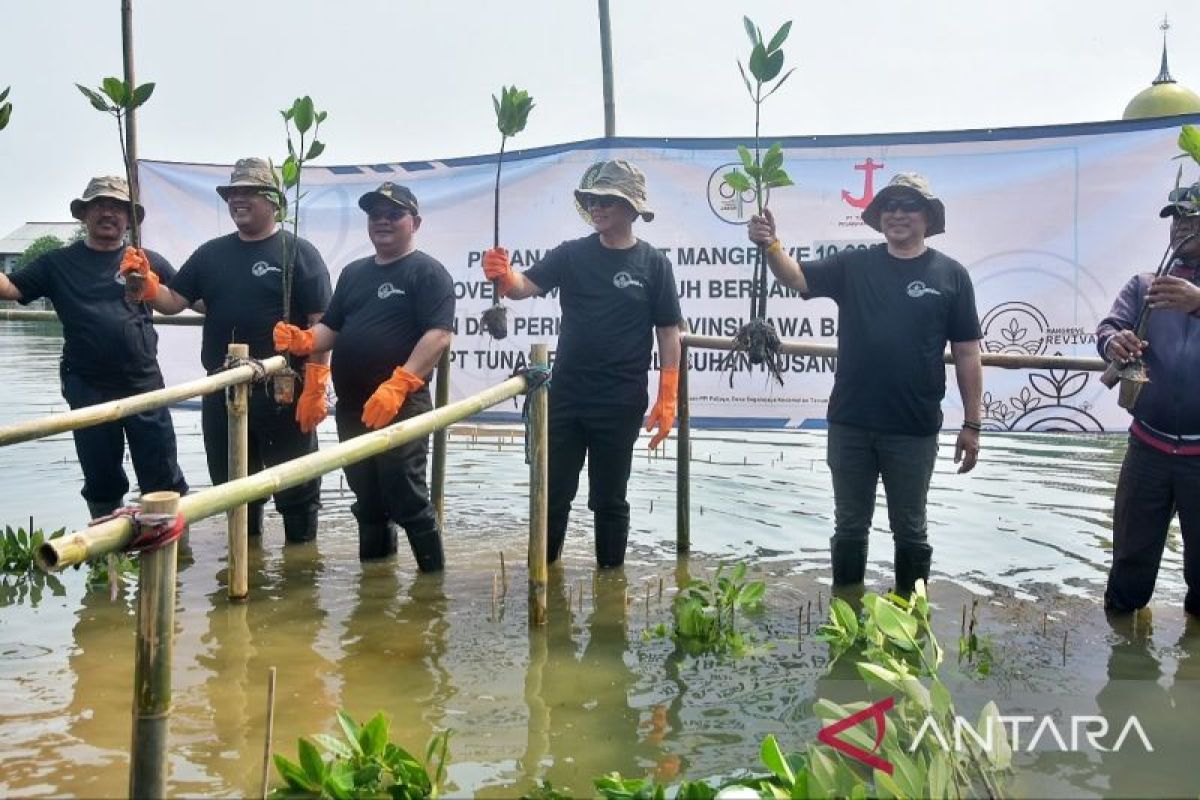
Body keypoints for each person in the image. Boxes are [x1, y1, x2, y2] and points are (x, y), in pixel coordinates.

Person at [747, 172, 983, 595]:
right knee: (849, 525)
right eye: (889, 206)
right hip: (851, 423)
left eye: (909, 205)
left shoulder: (952, 276)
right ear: (878, 218)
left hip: (914, 427)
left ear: (927, 216)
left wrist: (973, 424)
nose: (897, 213)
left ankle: (909, 620)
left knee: (910, 529)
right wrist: (771, 245)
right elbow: (795, 276)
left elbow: (967, 354)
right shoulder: (853, 265)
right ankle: (846, 613)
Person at [481, 159, 683, 568]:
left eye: (608, 199)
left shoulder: (654, 264)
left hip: (620, 401)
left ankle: (610, 589)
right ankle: (545, 576)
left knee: (610, 499)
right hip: (567, 397)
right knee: (553, 494)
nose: (598, 207)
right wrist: (504, 276)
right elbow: (524, 288)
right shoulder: (572, 255)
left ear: (631, 208)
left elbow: (667, 332)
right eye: (592, 199)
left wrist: (668, 394)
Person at [128, 157, 332, 544]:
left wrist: (317, 383)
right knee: (234, 489)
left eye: (250, 193)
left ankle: (300, 575)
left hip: (283, 389)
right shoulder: (211, 254)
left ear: (274, 201)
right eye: (233, 193)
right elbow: (175, 301)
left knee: (297, 492)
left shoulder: (298, 252)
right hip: (222, 389)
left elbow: (322, 320)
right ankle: (245, 566)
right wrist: (149, 285)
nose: (239, 200)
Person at [272, 182, 453, 569]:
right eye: (375, 216)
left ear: (415, 222)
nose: (383, 222)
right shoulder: (354, 273)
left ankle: (431, 588)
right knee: (367, 498)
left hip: (401, 404)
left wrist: (400, 383)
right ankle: (374, 592)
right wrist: (305, 340)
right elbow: (331, 329)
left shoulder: (428, 272)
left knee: (406, 494)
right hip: (354, 406)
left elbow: (438, 335)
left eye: (393, 215)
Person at [0, 176, 188, 519]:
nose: (108, 213)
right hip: (87, 385)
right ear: (84, 214)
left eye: (117, 207)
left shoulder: (146, 261)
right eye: (100, 205)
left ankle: (174, 559)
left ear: (129, 219)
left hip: (143, 383)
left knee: (162, 475)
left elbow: (183, 299)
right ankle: (107, 564)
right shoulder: (57, 263)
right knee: (101, 478)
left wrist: (149, 283)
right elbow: (10, 288)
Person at [1096, 182, 1200, 617]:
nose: (1181, 226)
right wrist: (1114, 342)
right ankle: (1125, 663)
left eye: (1192, 217)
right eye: (1176, 218)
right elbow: (1108, 327)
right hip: (1148, 449)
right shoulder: (1145, 284)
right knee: (1128, 571)